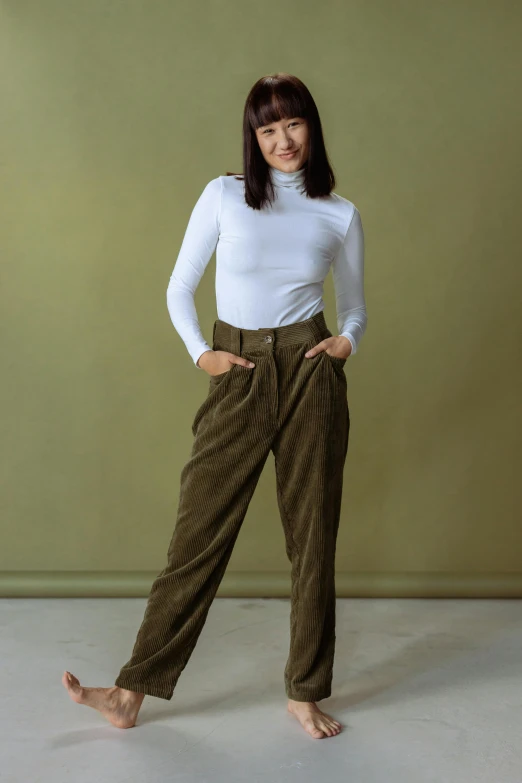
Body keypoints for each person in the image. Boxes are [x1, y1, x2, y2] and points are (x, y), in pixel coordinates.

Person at [63, 72, 367, 740]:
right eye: (268, 129)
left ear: (311, 127)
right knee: (197, 533)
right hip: (239, 369)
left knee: (313, 537)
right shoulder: (224, 194)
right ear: (252, 137)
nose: (282, 140)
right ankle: (130, 690)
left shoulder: (338, 213)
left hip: (311, 371)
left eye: (293, 124)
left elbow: (356, 304)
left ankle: (305, 691)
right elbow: (179, 286)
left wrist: (347, 340)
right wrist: (202, 352)